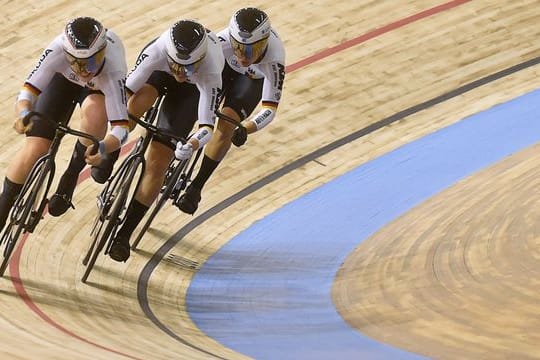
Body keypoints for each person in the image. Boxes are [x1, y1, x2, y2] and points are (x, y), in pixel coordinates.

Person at [107, 19, 224, 262]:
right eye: (177, 66)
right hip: (159, 73)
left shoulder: (211, 69)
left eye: (188, 67)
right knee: (135, 105)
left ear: (200, 60)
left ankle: (123, 235)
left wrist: (191, 144)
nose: (181, 73)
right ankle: (110, 154)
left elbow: (206, 126)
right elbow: (124, 93)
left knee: (158, 163)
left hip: (193, 92)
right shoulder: (157, 52)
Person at [0, 17, 129, 232]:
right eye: (78, 62)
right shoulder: (57, 49)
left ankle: (70, 176)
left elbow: (121, 128)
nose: (85, 70)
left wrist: (103, 147)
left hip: (95, 91)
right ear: (66, 53)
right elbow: (28, 91)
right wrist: (23, 114)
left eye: (92, 61)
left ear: (103, 51)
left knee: (95, 112)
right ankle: (4, 205)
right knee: (35, 148)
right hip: (60, 82)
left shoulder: (114, 70)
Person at [176, 7, 286, 215]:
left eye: (251, 50)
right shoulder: (222, 42)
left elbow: (270, 108)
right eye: (238, 47)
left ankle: (195, 188)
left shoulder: (275, 57)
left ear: (264, 44)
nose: (243, 55)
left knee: (226, 125)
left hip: (251, 82)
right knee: (196, 103)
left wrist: (246, 127)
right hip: (221, 69)